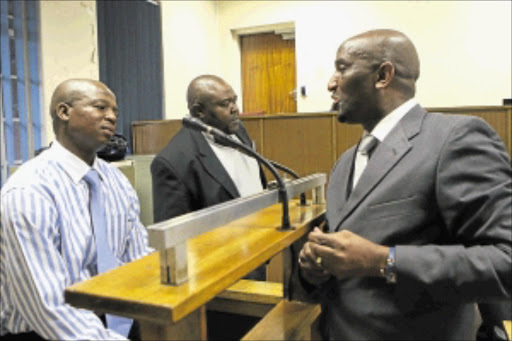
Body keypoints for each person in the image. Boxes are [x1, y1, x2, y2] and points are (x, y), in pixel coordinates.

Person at [298, 29, 511, 340]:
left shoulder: (453, 140)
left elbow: (505, 261)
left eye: (342, 68)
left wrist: (384, 261)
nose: (331, 82)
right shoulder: (345, 163)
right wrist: (315, 266)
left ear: (383, 75)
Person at [0, 79, 152, 340]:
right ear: (64, 112)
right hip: (48, 330)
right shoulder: (29, 192)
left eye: (115, 111)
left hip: (116, 317)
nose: (112, 117)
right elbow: (48, 307)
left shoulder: (115, 181)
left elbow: (138, 260)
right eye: (100, 107)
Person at [151, 74, 266, 222]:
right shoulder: (174, 162)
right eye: (225, 104)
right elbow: (173, 234)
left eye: (234, 101)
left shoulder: (237, 130)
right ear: (199, 111)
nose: (235, 109)